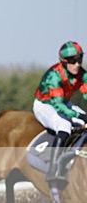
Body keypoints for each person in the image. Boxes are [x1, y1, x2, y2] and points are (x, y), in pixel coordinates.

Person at [33, 41, 87, 185]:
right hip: (45, 104)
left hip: (63, 101)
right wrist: (80, 116)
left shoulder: (82, 74)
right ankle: (53, 169)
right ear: (64, 62)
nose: (77, 64)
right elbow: (58, 105)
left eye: (79, 59)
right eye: (72, 61)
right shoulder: (54, 76)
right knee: (64, 125)